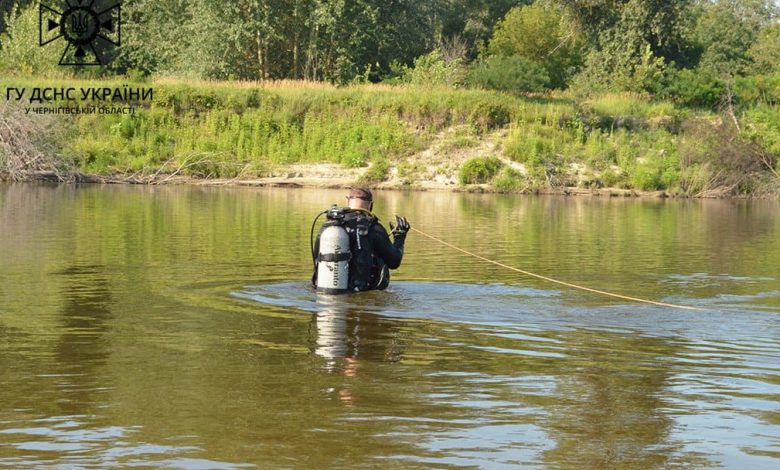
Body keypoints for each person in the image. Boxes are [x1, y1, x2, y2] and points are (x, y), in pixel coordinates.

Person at [312, 187, 410, 292]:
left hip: (326, 290)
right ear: (370, 205)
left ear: (347, 200)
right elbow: (394, 262)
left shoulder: (329, 226)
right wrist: (400, 236)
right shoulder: (374, 228)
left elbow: (316, 257)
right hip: (360, 291)